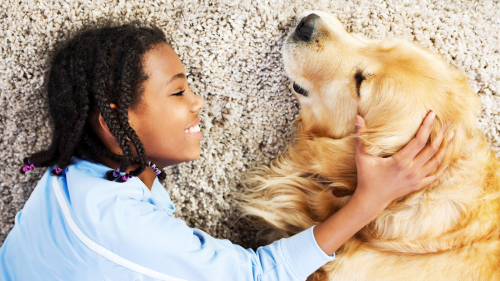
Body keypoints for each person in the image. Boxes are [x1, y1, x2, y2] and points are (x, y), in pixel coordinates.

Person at [0, 23, 452, 281]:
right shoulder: (125, 231)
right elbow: (261, 276)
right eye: (178, 93)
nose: (198, 102)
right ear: (115, 122)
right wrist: (370, 200)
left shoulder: (64, 178)